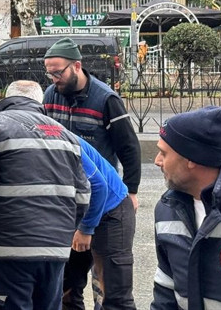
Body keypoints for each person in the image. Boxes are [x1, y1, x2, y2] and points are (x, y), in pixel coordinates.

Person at [0, 80, 90, 310]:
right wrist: (61, 229)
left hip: (10, 248)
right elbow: (83, 195)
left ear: (6, 99)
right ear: (39, 102)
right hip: (55, 250)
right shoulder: (66, 135)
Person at [42, 37, 139, 310]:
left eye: (57, 71)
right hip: (71, 201)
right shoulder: (51, 95)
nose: (53, 78)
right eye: (48, 72)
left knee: (108, 290)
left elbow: (129, 147)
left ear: (77, 66)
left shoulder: (106, 99)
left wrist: (132, 190)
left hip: (104, 194)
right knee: (66, 286)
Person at [152, 106, 221, 310]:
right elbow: (165, 288)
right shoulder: (166, 209)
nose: (157, 161)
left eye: (164, 153)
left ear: (192, 158)